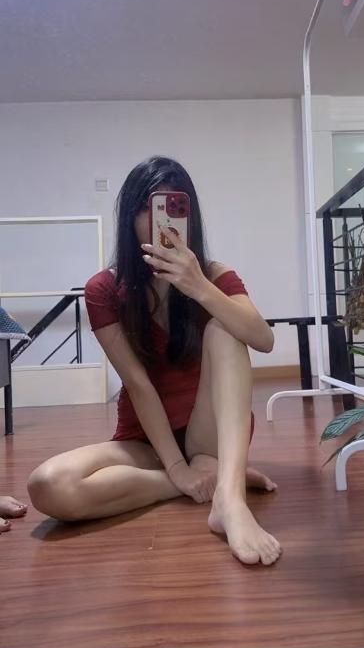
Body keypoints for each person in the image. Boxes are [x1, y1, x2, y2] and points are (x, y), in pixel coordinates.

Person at [28, 157, 281, 566]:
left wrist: (199, 287)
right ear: (129, 217)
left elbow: (262, 339)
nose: (160, 219)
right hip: (146, 438)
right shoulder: (104, 289)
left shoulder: (213, 274)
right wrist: (178, 470)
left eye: (173, 206)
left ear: (189, 216)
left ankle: (230, 500)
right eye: (148, 207)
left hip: (208, 432)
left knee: (226, 328)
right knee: (49, 485)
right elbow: (138, 384)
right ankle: (218, 480)